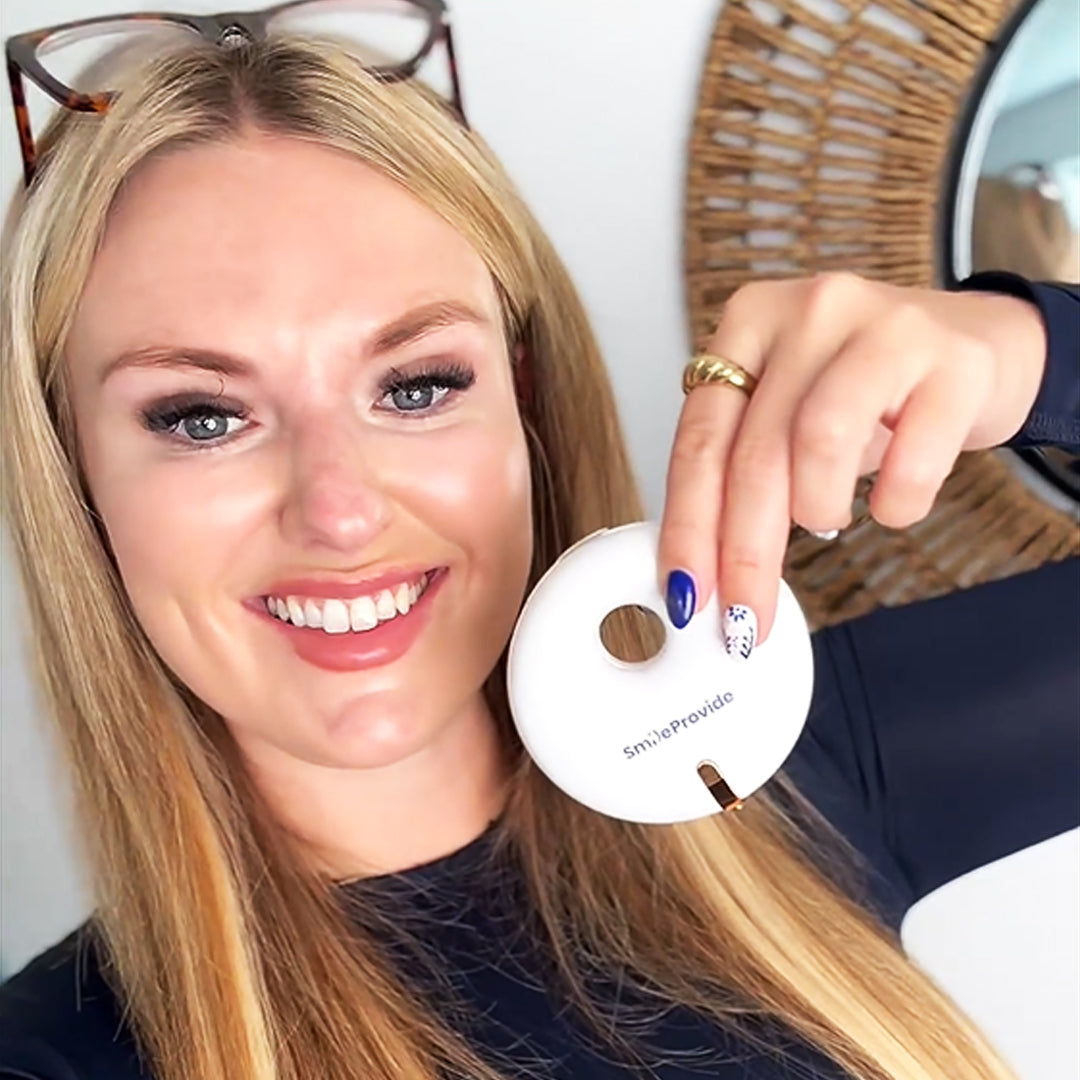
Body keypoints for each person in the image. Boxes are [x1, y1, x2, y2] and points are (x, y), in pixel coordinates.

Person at [0, 12, 1077, 1080]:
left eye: (415, 387)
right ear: (72, 464)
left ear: (522, 395)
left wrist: (1024, 352)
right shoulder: (52, 1056)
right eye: (200, 417)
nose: (339, 512)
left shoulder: (796, 767)